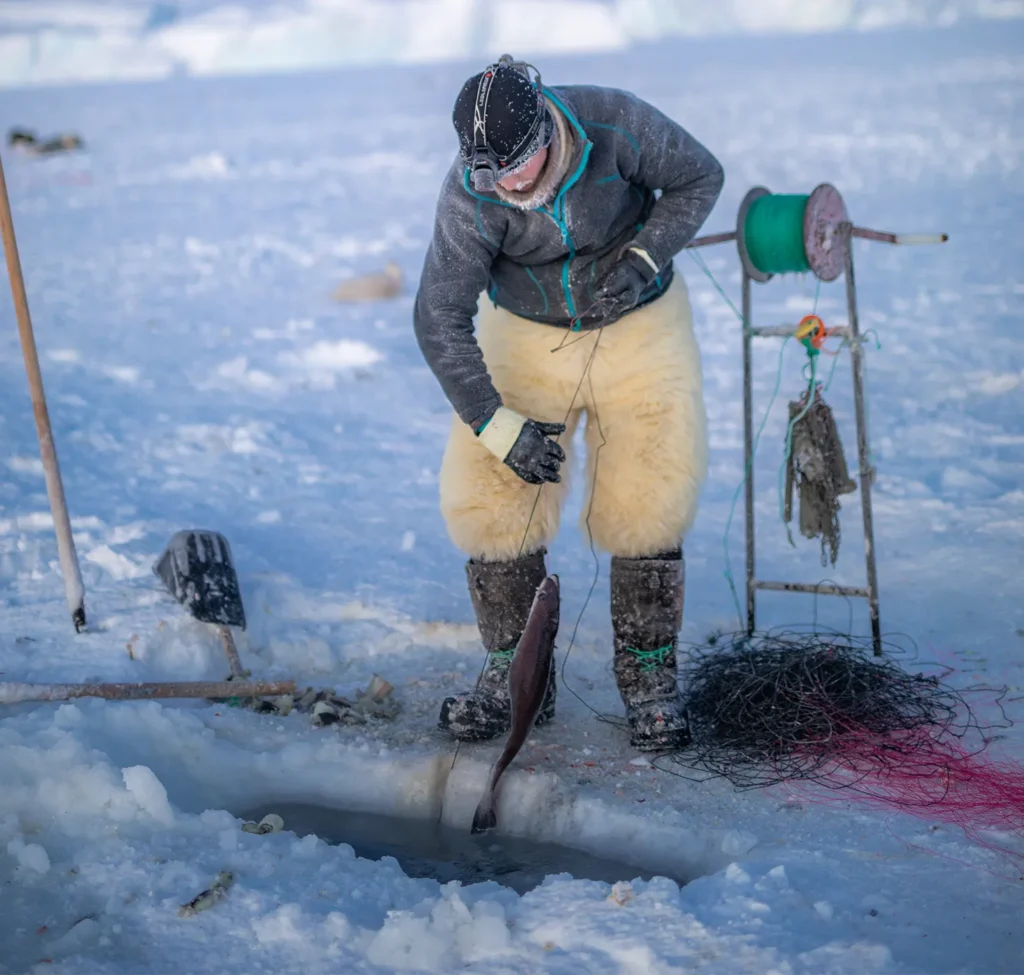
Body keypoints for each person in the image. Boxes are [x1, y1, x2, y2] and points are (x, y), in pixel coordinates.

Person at [413, 54, 724, 750]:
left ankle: (649, 677)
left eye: (517, 167)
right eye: (489, 172)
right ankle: (513, 672)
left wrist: (644, 258)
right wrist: (497, 427)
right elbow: (438, 316)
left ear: (548, 132)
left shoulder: (614, 122)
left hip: (641, 324)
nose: (507, 185)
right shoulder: (472, 194)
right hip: (527, 334)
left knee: (651, 491)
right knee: (489, 492)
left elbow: (700, 176)